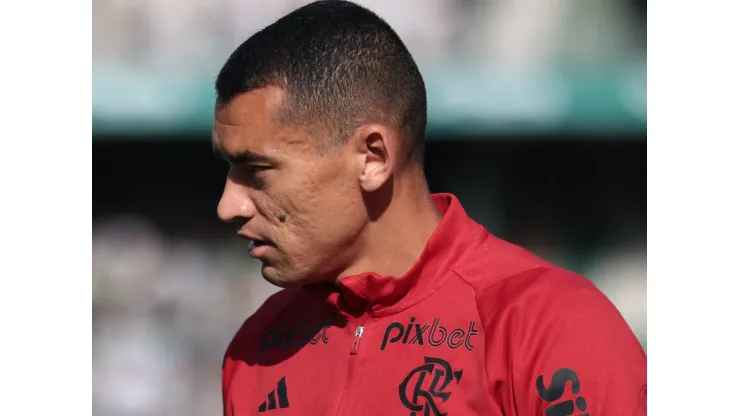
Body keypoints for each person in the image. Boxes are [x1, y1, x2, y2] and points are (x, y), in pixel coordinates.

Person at [213, 1, 647, 415]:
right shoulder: (256, 348)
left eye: (258, 169)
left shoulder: (550, 325)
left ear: (373, 158)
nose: (228, 206)